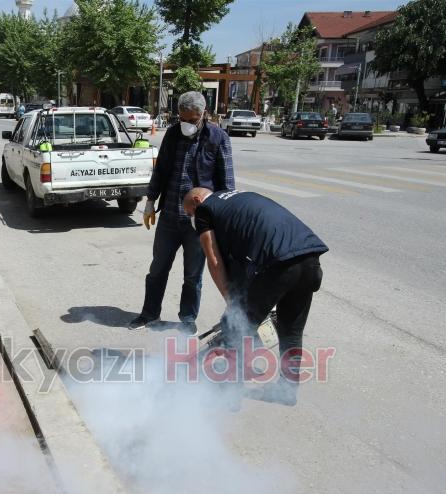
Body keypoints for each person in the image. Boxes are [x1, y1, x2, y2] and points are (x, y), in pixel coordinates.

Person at [182, 187, 329, 406]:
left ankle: (229, 395)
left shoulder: (206, 210)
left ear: (196, 200)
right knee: (291, 332)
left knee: (238, 329)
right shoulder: (237, 198)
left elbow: (214, 261)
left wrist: (233, 307)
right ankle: (286, 391)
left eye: (189, 213)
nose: (192, 218)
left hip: (278, 264)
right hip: (309, 256)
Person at [128, 91, 236, 334]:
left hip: (199, 223)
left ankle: (187, 319)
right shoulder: (173, 134)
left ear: (204, 115)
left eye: (192, 119)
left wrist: (223, 222)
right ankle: (149, 313)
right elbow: (161, 170)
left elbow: (227, 184)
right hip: (169, 217)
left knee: (192, 275)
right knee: (157, 269)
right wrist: (150, 200)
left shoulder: (218, 138)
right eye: (183, 118)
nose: (187, 124)